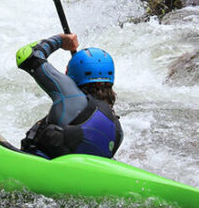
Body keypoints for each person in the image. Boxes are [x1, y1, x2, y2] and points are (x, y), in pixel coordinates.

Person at [16, 32, 123, 160]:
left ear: (71, 74)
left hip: (36, 169)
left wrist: (60, 41)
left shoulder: (70, 95)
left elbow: (28, 55)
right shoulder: (117, 129)